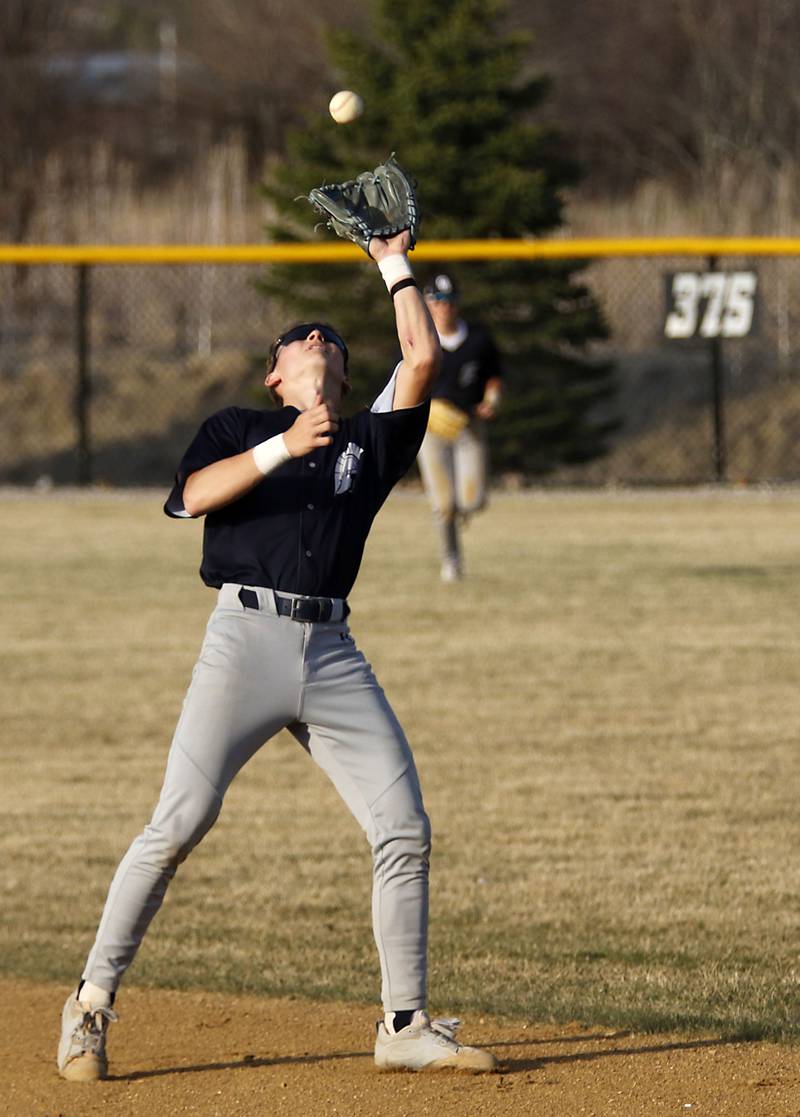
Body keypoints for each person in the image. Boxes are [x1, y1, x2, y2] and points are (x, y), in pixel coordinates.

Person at [57, 231, 497, 1081]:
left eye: (330, 336)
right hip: (244, 639)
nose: (319, 337)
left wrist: (393, 262)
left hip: (331, 649)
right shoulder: (240, 426)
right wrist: (283, 446)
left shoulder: (369, 443)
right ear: (277, 374)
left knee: (403, 825)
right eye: (302, 337)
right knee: (178, 823)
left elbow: (419, 356)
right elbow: (190, 499)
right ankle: (89, 1006)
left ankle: (403, 1023)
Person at [417, 274, 504, 582]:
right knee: (443, 504)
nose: (444, 308)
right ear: (427, 304)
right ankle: (451, 560)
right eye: (437, 301)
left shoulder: (477, 340)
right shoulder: (420, 340)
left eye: (449, 300)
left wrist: (491, 400)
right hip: (432, 430)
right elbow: (405, 384)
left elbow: (494, 376)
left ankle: (459, 514)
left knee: (472, 501)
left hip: (469, 426)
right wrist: (423, 411)